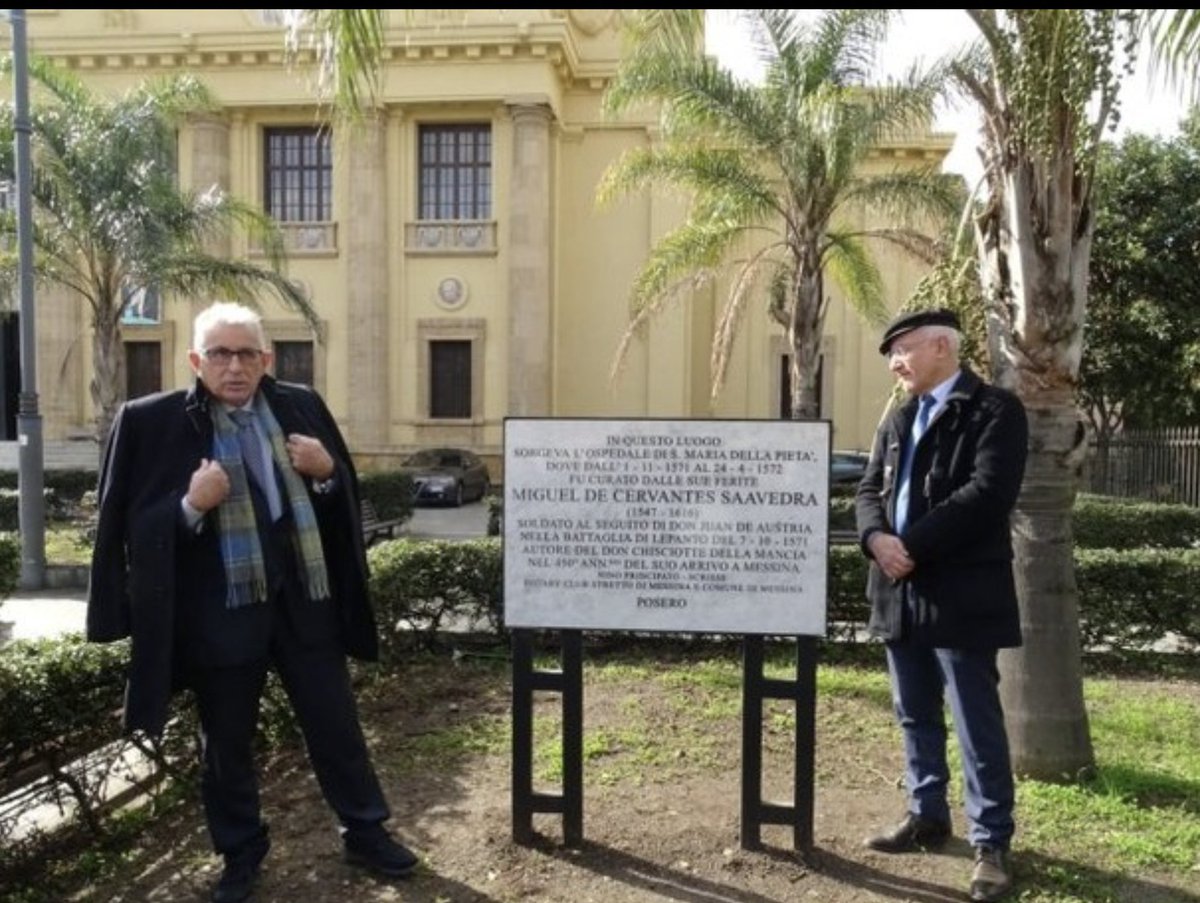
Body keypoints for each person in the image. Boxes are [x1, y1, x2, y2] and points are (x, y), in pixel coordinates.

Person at [87, 302, 417, 903]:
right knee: (227, 744)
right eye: (219, 354)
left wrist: (324, 474)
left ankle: (365, 830)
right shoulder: (150, 421)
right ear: (195, 360)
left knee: (335, 725)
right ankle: (240, 852)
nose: (234, 366)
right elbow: (125, 529)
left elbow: (340, 492)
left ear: (266, 359)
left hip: (303, 603)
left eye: (246, 354)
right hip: (220, 615)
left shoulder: (300, 405)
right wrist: (190, 505)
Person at [854, 308, 1027, 903]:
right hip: (898, 588)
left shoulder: (994, 411)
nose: (895, 364)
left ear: (941, 347)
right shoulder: (899, 418)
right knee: (913, 710)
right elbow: (868, 489)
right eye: (892, 355)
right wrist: (876, 540)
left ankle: (991, 843)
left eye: (901, 350)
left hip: (959, 590)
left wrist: (911, 546)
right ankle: (927, 813)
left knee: (975, 719)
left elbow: (987, 494)